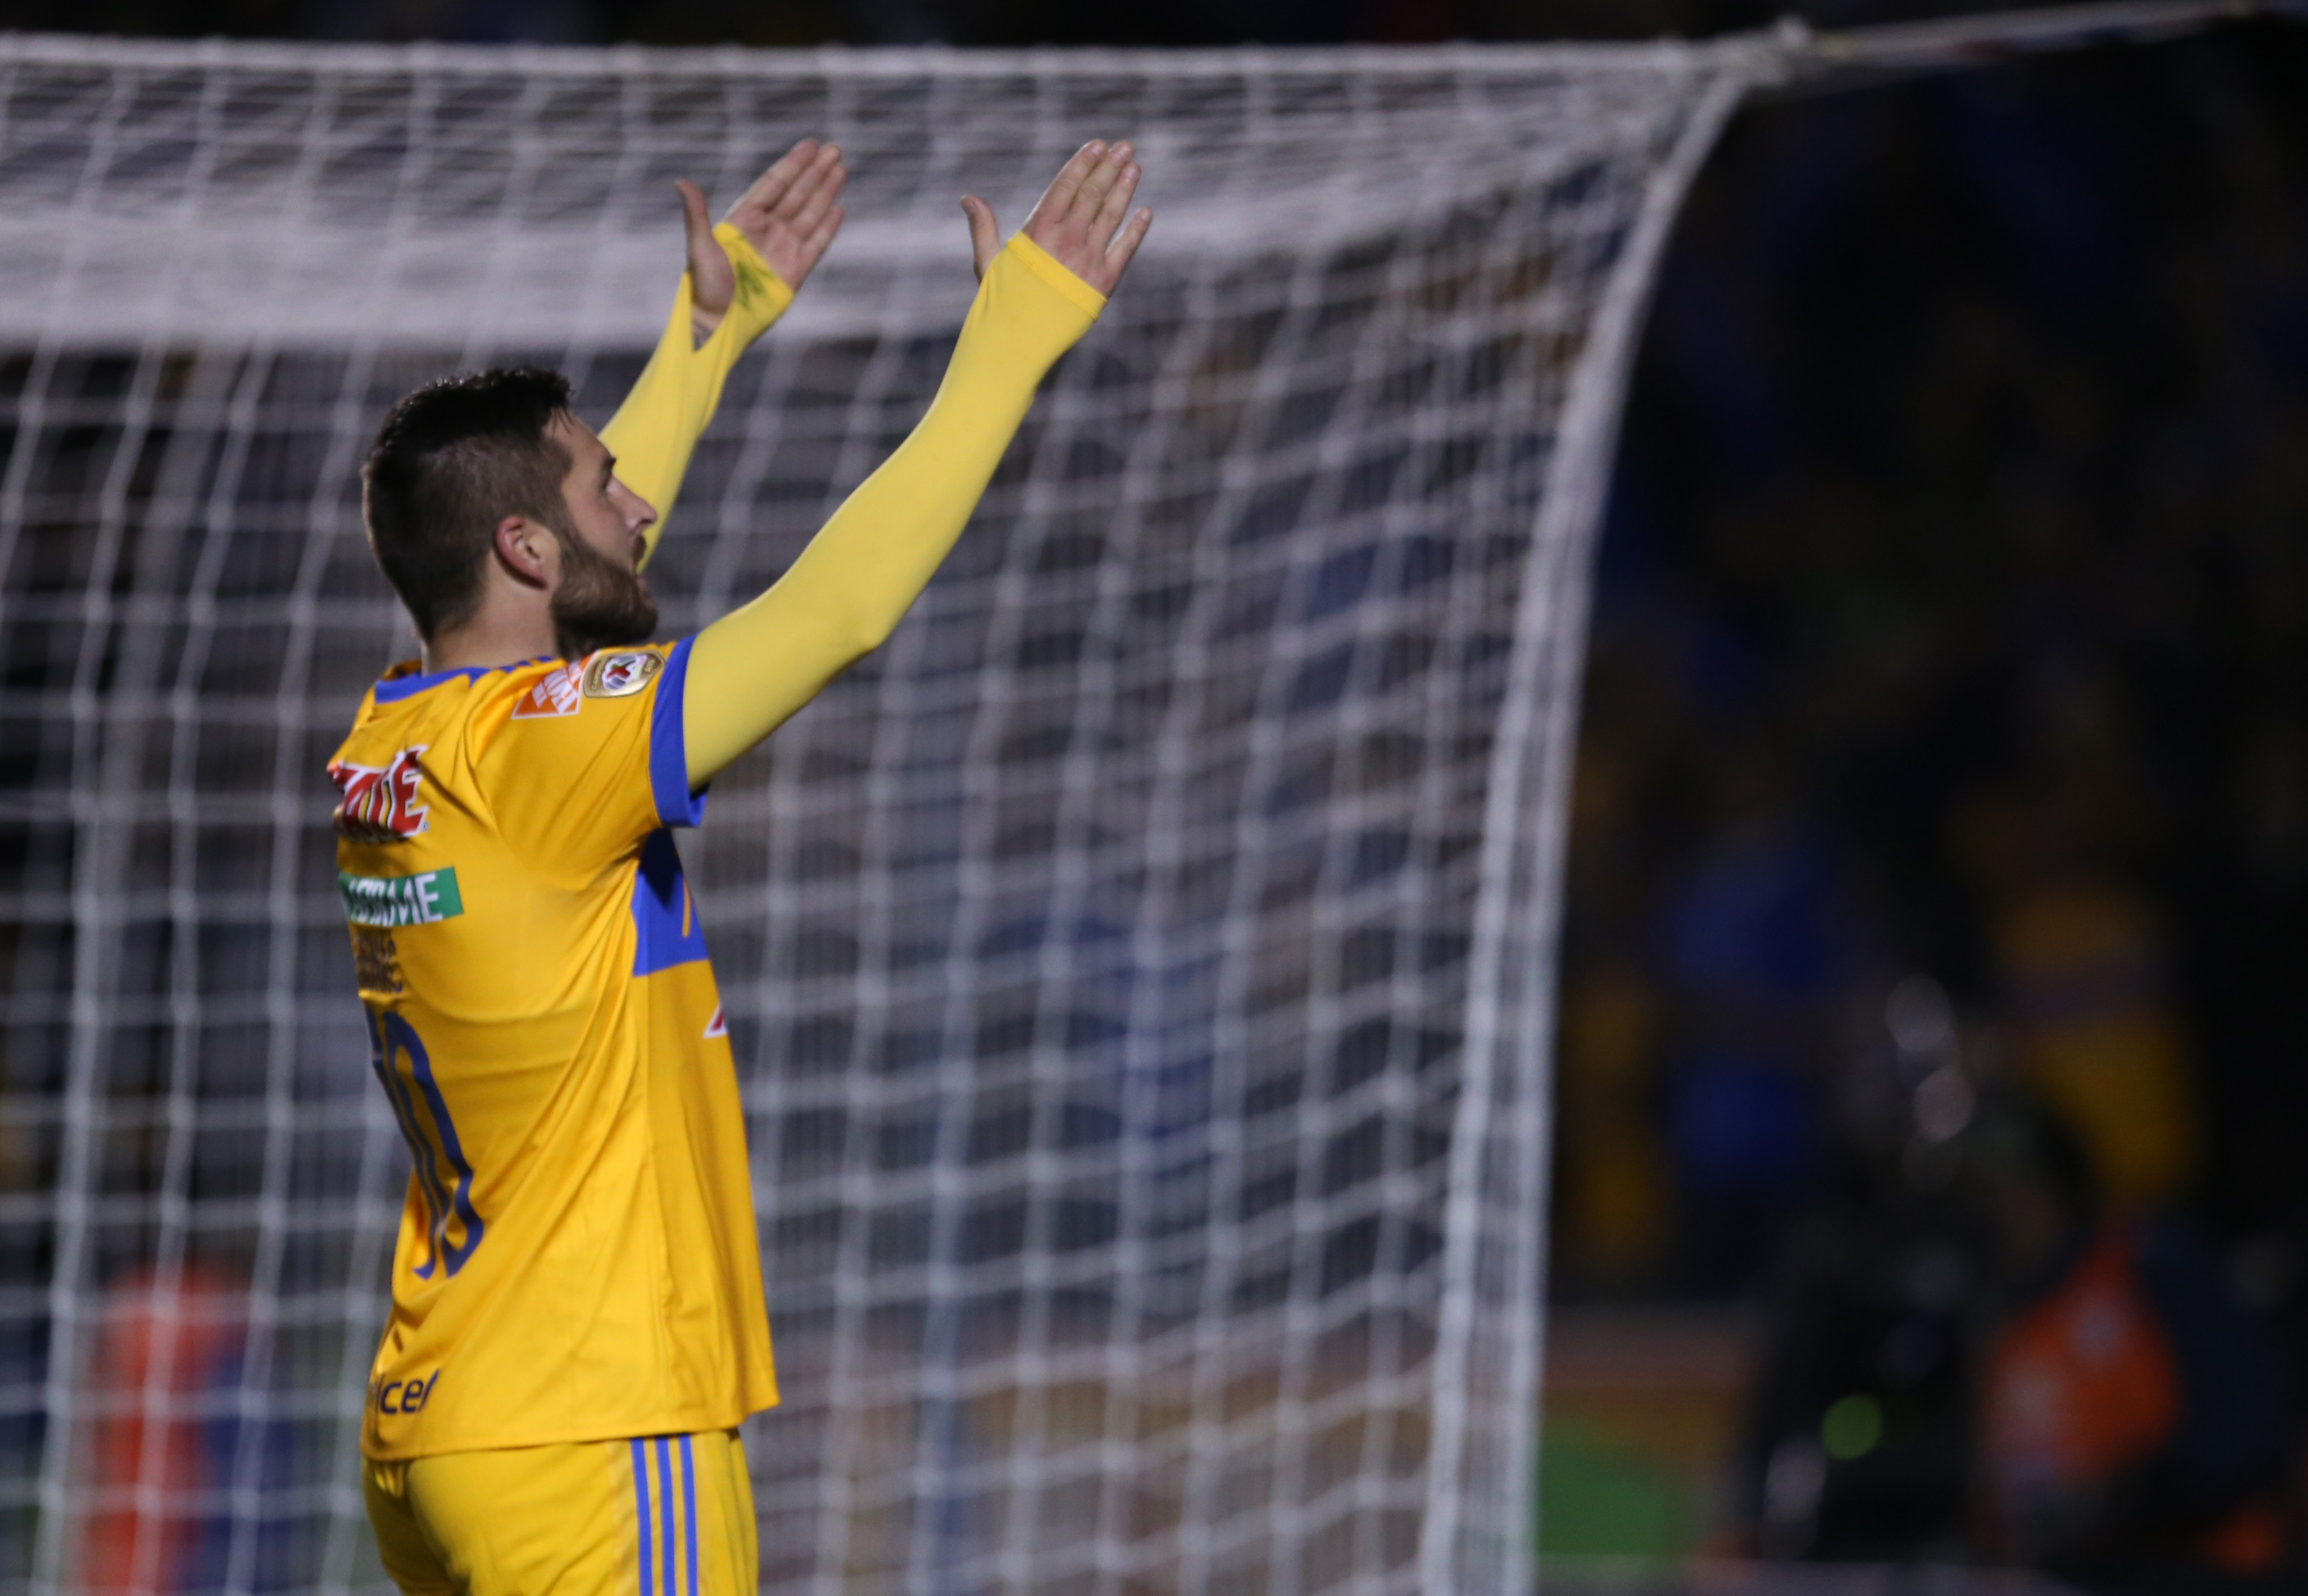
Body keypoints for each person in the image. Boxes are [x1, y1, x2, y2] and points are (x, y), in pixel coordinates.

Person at [331, 136, 1151, 1596]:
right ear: (523, 546)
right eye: (605, 487)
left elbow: (571, 571)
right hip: (596, 1428)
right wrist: (1014, 339)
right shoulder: (541, 755)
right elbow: (838, 610)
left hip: (449, 1430)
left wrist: (710, 337)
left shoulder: (401, 736)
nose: (639, 505)